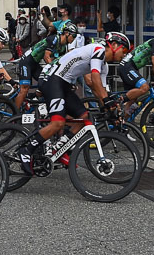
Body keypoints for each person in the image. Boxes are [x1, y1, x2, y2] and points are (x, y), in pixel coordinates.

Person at [15, 31, 130, 174]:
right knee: (58, 123)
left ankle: (58, 149)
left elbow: (99, 89)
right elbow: (94, 79)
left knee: (84, 118)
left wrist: (109, 108)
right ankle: (27, 150)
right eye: (124, 50)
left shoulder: (104, 66)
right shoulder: (98, 50)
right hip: (52, 79)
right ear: (113, 45)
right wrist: (107, 103)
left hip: (63, 83)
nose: (124, 55)